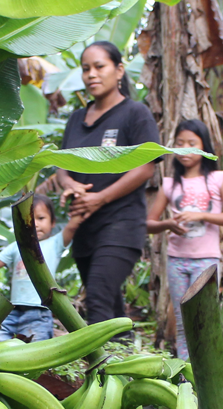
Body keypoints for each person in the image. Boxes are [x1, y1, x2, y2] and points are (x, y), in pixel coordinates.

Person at [57, 41, 161, 328]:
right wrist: (70, 185)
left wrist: (100, 198)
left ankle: (99, 368)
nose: (92, 74)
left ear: (118, 70)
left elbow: (145, 168)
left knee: (99, 296)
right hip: (83, 225)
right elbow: (61, 168)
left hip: (122, 224)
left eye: (99, 67)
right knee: (108, 300)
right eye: (86, 68)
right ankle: (123, 359)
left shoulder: (135, 113)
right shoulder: (76, 119)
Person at [147, 119, 223, 358]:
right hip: (176, 260)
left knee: (206, 319)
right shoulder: (169, 184)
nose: (185, 149)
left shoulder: (219, 179)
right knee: (182, 321)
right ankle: (185, 373)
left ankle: (210, 368)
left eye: (192, 143)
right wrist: (168, 224)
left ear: (203, 146)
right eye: (180, 144)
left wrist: (201, 214)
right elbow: (149, 223)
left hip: (206, 259)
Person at [0, 197, 79, 342]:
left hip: (39, 310)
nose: (35, 224)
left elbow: (71, 227)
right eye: (31, 219)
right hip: (13, 310)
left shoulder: (55, 243)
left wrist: (80, 207)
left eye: (41, 218)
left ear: (53, 223)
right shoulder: (16, 246)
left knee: (37, 347)